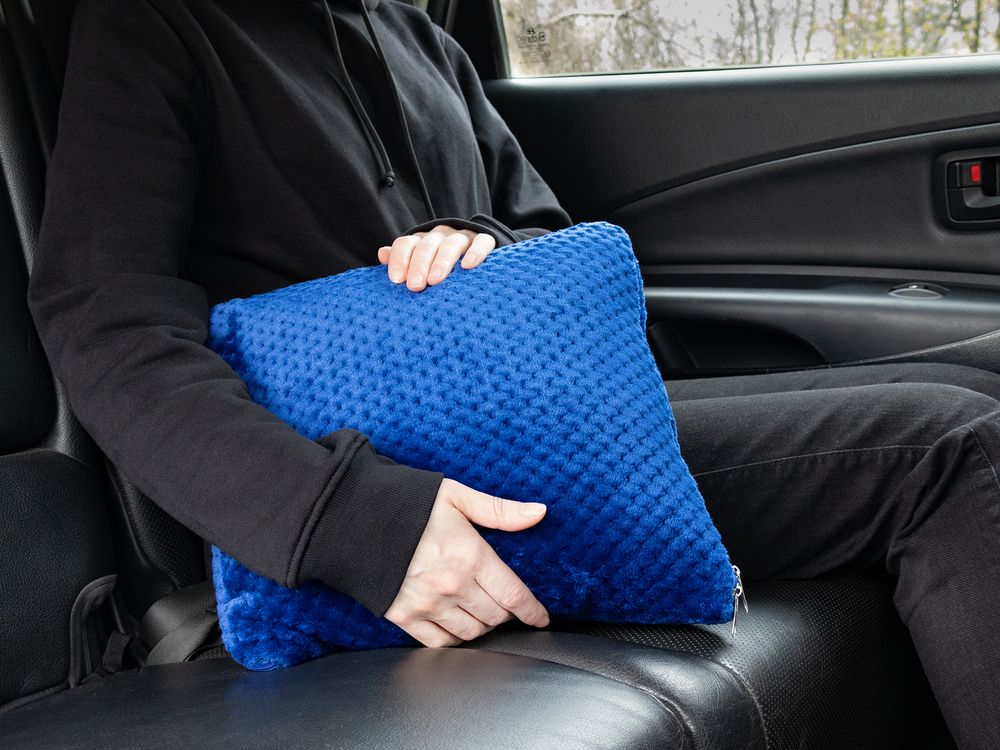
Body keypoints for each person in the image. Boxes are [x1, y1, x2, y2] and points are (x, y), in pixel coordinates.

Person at [26, 0, 999, 747]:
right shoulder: (157, 24)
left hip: (548, 412)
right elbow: (102, 319)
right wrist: (352, 523)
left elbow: (542, 232)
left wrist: (480, 241)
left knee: (976, 386)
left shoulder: (420, 37)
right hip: (394, 476)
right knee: (951, 447)